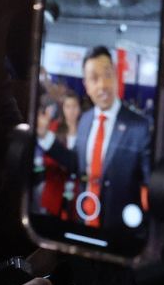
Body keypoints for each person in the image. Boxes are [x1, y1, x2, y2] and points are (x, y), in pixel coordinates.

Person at [40, 47, 153, 229]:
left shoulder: (139, 126)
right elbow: (76, 163)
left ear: (116, 76)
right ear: (86, 85)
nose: (102, 85)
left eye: (107, 74)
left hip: (120, 229)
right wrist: (45, 136)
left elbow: (150, 184)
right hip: (83, 219)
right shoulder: (85, 120)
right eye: (94, 78)